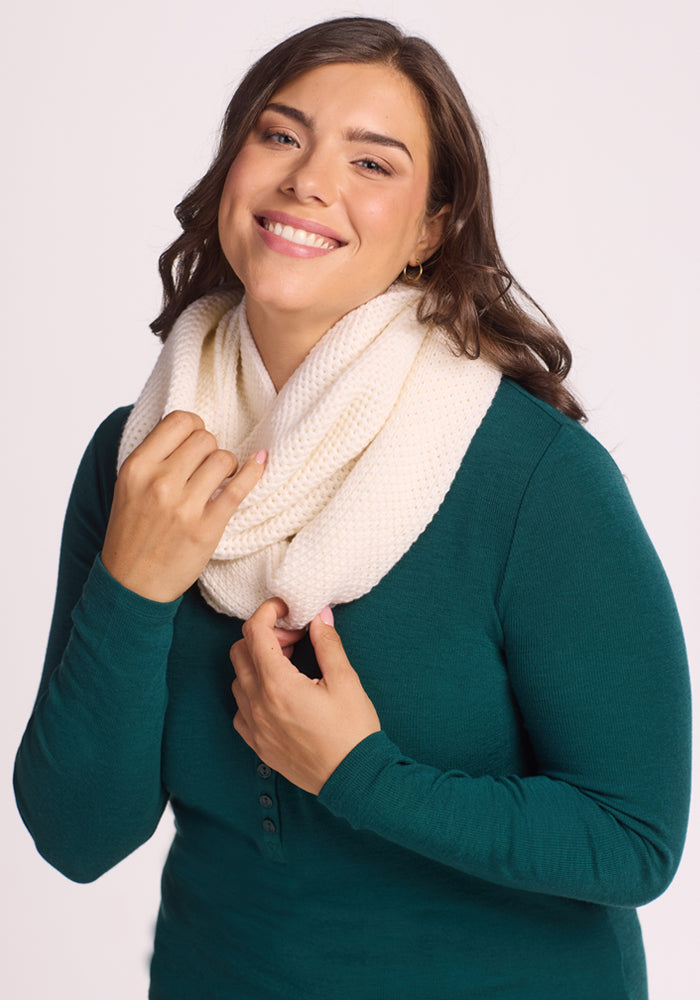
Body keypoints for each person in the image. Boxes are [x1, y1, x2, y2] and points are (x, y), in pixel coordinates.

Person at [14, 16, 690, 1000]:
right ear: (232, 169)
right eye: (281, 135)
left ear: (431, 228)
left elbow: (635, 839)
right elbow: (77, 836)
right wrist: (132, 584)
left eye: (371, 163)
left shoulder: (532, 476)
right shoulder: (144, 465)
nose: (307, 180)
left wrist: (356, 772)